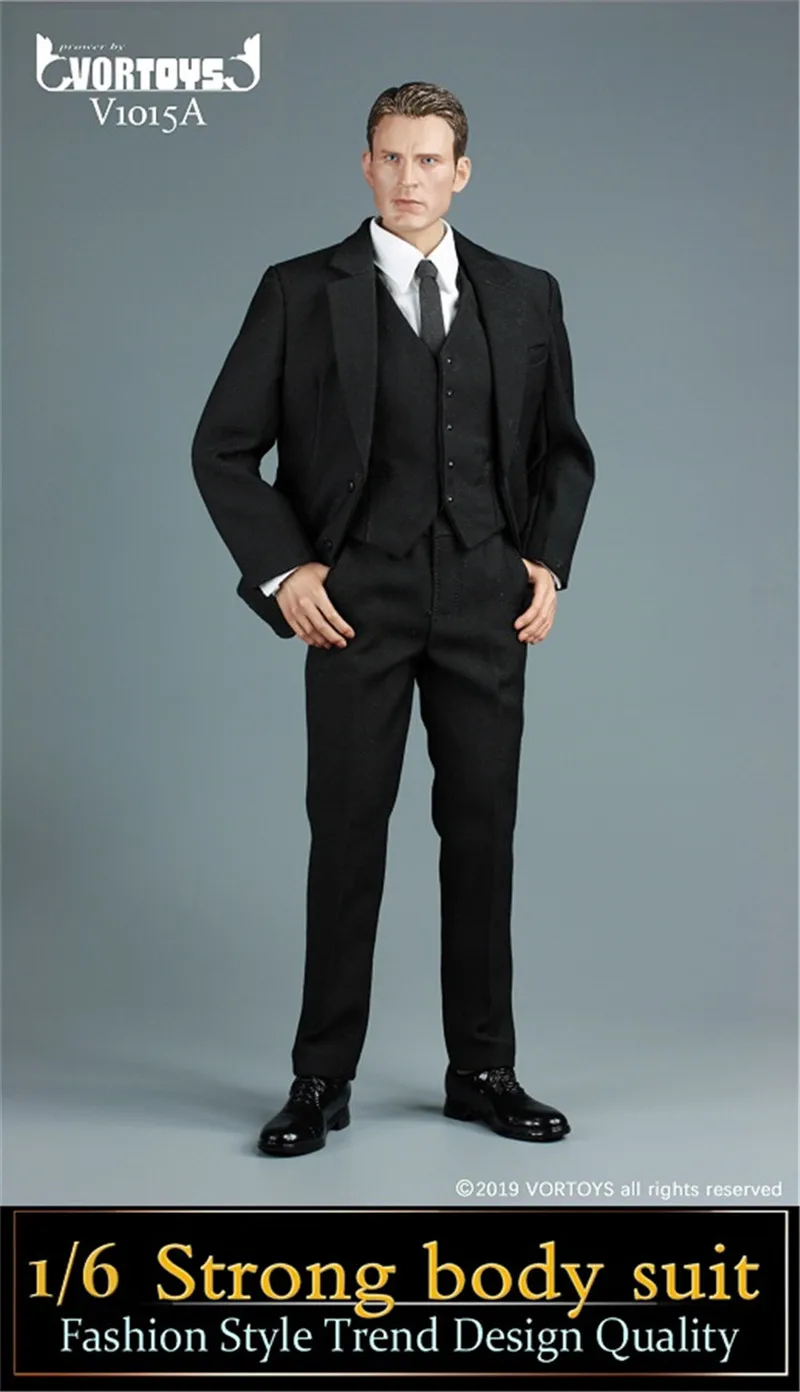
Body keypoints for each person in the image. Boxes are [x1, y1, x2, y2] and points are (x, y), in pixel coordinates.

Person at [191, 81, 595, 1157]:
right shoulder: (298, 291)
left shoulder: (526, 294)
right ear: (365, 165)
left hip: (486, 599)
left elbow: (560, 449)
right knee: (346, 834)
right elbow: (222, 447)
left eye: (428, 161)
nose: (408, 179)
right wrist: (284, 572)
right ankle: (320, 1078)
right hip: (354, 603)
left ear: (461, 172)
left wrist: (546, 562)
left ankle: (483, 1071)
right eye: (390, 158)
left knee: (484, 834)